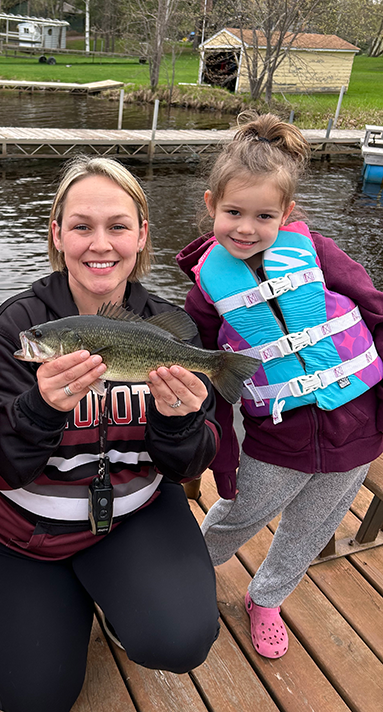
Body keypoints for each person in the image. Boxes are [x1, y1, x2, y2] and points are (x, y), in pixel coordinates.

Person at [0, 156, 221, 712]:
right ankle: (61, 603)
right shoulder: (17, 328)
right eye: (81, 226)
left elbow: (188, 466)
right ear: (57, 234)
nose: (99, 244)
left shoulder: (168, 329)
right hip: (20, 532)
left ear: (142, 235)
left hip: (131, 517)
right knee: (36, 699)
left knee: (179, 639)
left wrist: (181, 423)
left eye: (117, 226)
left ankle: (121, 597)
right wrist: (40, 409)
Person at [176, 112, 383, 659]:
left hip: (358, 430)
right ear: (210, 206)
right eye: (233, 212)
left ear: (286, 214)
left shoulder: (320, 251)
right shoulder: (205, 295)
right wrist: (222, 457)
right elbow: (208, 380)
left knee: (311, 530)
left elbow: (376, 314)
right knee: (238, 514)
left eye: (264, 216)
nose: (246, 228)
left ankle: (266, 598)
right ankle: (185, 575)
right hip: (277, 439)